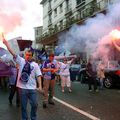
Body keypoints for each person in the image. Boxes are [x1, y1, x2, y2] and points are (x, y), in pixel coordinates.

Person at [3, 36, 42, 120]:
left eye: (30, 55)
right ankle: (25, 118)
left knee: (34, 104)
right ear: (25, 55)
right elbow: (12, 52)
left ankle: (33, 118)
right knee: (23, 106)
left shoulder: (35, 65)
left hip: (32, 88)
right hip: (22, 88)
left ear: (32, 56)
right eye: (27, 55)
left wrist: (40, 86)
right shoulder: (21, 61)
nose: (28, 56)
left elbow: (38, 75)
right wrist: (6, 44)